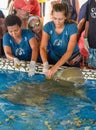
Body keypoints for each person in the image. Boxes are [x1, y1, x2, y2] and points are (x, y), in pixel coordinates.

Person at [40, 3, 81, 79]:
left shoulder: (72, 27)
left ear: (66, 17)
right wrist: (45, 64)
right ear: (51, 16)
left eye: (60, 19)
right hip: (55, 57)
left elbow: (69, 51)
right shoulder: (48, 27)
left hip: (71, 59)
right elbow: (43, 47)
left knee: (73, 84)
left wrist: (55, 67)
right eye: (54, 18)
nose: (57, 22)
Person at [84, 0, 96, 69]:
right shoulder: (89, 3)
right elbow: (87, 21)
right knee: (92, 66)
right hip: (91, 40)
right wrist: (85, 38)